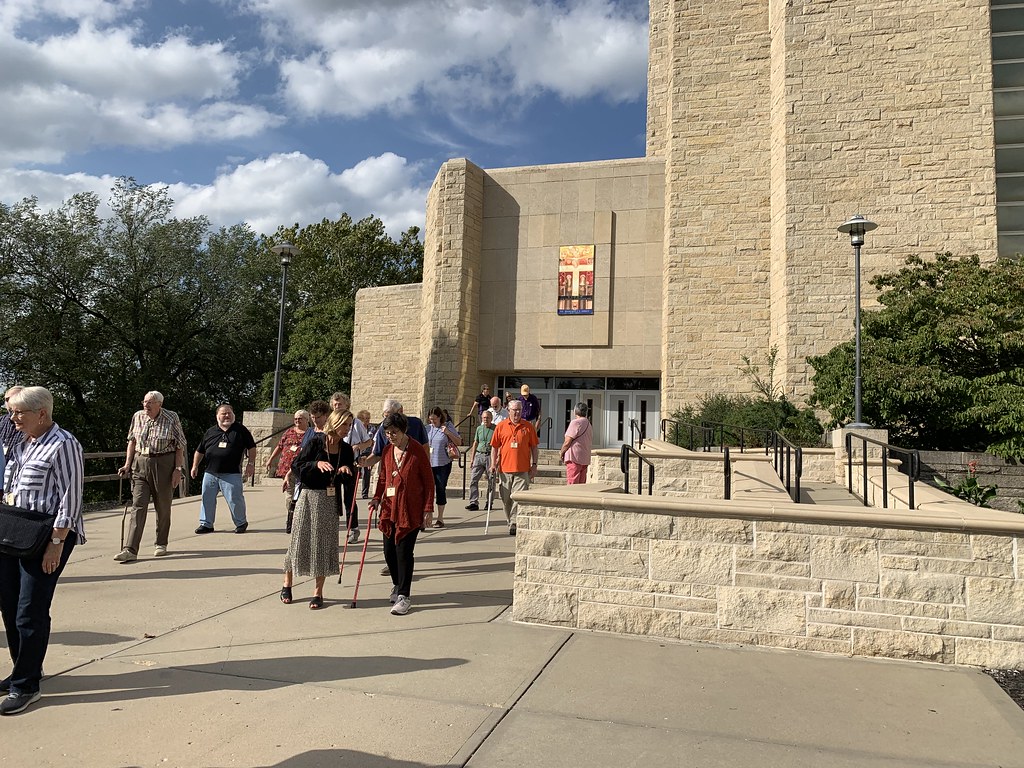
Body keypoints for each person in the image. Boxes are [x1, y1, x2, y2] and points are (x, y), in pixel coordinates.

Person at [0, 386, 84, 715]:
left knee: (30, 609)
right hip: (12, 529)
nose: (12, 418)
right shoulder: (21, 440)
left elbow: (71, 498)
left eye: (20, 413)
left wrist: (57, 544)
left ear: (42, 414)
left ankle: (27, 686)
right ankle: (24, 668)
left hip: (47, 535)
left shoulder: (64, 444)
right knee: (8, 604)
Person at [280, 409, 354, 610]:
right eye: (345, 424)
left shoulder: (346, 450)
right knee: (298, 541)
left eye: (350, 425)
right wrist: (316, 463)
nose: (347, 429)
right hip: (308, 496)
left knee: (323, 545)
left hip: (329, 500)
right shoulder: (316, 442)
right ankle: (287, 583)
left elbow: (349, 480)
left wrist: (345, 472)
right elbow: (297, 466)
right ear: (335, 422)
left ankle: (318, 592)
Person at [368, 413, 433, 616]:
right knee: (389, 552)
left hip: (410, 509)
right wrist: (377, 498)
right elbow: (383, 478)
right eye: (387, 433)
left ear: (403, 430)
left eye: (394, 432)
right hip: (389, 508)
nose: (390, 436)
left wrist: (428, 509)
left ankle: (404, 595)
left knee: (403, 552)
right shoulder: (387, 450)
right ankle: (397, 584)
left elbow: (429, 481)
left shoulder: (416, 451)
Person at [115, 391, 187, 562]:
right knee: (138, 505)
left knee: (162, 505)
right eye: (144, 402)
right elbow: (132, 441)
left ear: (159, 404)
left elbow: (180, 445)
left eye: (150, 402)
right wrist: (127, 464)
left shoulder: (171, 417)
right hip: (140, 463)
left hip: (163, 464)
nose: (146, 405)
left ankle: (161, 542)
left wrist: (178, 469)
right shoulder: (138, 416)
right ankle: (130, 549)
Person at [191, 404, 257, 535]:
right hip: (210, 472)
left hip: (231, 473)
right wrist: (195, 466)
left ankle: (241, 523)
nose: (227, 416)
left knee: (235, 499)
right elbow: (200, 450)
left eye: (229, 413)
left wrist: (251, 463)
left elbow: (252, 448)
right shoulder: (210, 432)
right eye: (224, 413)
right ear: (217, 416)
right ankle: (206, 524)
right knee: (207, 498)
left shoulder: (241, 430)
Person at [489, 400, 538, 536]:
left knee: (518, 498)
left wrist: (534, 465)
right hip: (505, 469)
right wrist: (493, 464)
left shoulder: (528, 426)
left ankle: (514, 522)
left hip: (522, 470)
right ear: (508, 410)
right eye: (514, 410)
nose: (516, 412)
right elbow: (494, 447)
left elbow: (534, 447)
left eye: (519, 410)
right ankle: (510, 519)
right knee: (506, 499)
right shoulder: (501, 426)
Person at [331, 393, 372, 544]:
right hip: (334, 465)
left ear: (346, 405)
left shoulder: (355, 423)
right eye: (335, 405)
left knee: (349, 499)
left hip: (351, 465)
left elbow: (368, 442)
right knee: (333, 498)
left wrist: (357, 447)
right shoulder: (331, 422)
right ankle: (332, 528)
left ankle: (353, 528)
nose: (337, 407)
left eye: (340, 404)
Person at [266, 410, 310, 533]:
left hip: (302, 470)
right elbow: (279, 446)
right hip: (286, 469)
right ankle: (292, 515)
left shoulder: (310, 434)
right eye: (295, 418)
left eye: (300, 418)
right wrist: (270, 459)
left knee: (301, 494)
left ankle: (299, 516)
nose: (297, 421)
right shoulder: (289, 432)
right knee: (289, 495)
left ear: (307, 420)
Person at [425, 407, 460, 527]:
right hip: (429, 463)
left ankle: (440, 518)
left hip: (443, 464)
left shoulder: (448, 426)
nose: (432, 422)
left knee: (440, 489)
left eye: (434, 419)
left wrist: (448, 433)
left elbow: (459, 442)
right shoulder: (427, 428)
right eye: (430, 419)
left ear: (440, 417)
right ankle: (426, 516)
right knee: (427, 490)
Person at [465, 409, 495, 511]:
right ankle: (473, 502)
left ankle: (489, 502)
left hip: (490, 456)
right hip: (479, 455)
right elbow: (475, 443)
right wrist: (472, 458)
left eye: (487, 418)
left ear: (491, 418)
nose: (486, 419)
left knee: (491, 481)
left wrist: (496, 460)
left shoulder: (495, 428)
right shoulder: (479, 429)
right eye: (484, 418)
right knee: (473, 479)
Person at [559, 403, 593, 484]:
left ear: (575, 411)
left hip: (574, 456)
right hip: (584, 457)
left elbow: (567, 441)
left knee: (572, 483)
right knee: (581, 484)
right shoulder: (588, 423)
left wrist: (562, 452)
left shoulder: (575, 422)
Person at [356, 410, 375, 499]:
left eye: (368, 418)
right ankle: (354, 492)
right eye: (365, 419)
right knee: (356, 472)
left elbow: (374, 442)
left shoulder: (372, 428)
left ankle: (365, 493)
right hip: (358, 452)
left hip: (368, 453)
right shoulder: (357, 429)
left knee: (366, 473)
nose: (367, 420)